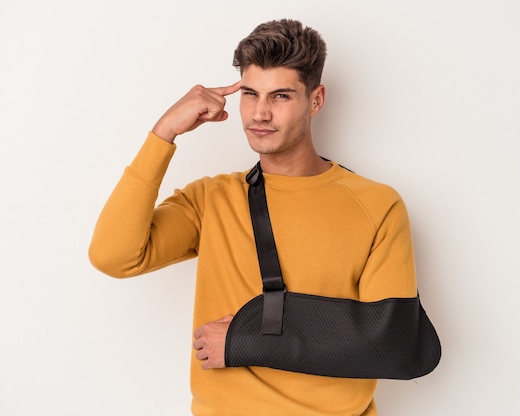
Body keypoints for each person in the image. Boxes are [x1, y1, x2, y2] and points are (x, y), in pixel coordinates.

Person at [89, 18, 417, 415]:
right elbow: (113, 256)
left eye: (280, 96)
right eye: (250, 94)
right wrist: (163, 134)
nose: (260, 113)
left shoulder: (377, 205)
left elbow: (393, 343)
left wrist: (244, 342)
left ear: (316, 100)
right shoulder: (211, 199)